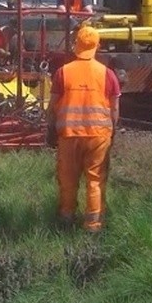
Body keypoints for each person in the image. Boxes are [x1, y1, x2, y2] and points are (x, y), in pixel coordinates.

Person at [46, 25, 121, 231]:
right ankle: (93, 225)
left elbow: (52, 107)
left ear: (76, 45)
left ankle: (66, 218)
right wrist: (112, 131)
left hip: (69, 136)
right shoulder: (108, 74)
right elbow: (114, 109)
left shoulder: (63, 73)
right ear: (98, 45)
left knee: (68, 179)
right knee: (95, 180)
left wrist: (50, 129)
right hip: (98, 137)